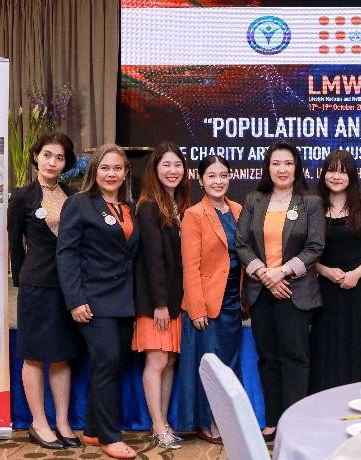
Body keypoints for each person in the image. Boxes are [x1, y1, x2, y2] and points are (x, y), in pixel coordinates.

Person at [236, 141, 325, 442]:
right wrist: (264, 274)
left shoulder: (310, 202)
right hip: (261, 292)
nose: (282, 169)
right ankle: (273, 420)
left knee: (295, 358)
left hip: (294, 292)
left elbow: (315, 247)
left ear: (297, 167)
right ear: (268, 168)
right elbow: (241, 244)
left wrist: (282, 272)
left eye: (288, 163)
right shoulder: (254, 199)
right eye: (276, 163)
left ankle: (294, 423)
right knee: (268, 358)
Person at [57, 144, 140, 459]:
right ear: (94, 170)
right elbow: (66, 254)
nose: (111, 174)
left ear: (125, 173)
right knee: (106, 362)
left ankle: (92, 430)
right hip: (92, 301)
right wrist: (75, 300)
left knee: (112, 364)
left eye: (117, 168)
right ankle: (109, 436)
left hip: (124, 302)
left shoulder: (129, 206)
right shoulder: (79, 204)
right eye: (105, 168)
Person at [8, 133, 80, 449]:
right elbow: (15, 246)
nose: (52, 162)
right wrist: (22, 282)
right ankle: (39, 423)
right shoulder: (22, 197)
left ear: (66, 163)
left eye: (59, 157)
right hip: (36, 286)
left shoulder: (74, 196)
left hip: (68, 287)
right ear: (36, 156)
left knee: (62, 356)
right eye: (47, 155)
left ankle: (62, 422)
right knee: (35, 356)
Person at [177, 155, 243, 444]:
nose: (218, 181)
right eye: (212, 176)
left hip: (233, 301)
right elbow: (190, 266)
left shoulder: (239, 210)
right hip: (206, 303)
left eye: (223, 175)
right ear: (201, 180)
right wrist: (196, 308)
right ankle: (206, 423)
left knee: (229, 365)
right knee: (210, 367)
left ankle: (227, 419)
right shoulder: (194, 214)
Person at [310, 150, 361, 392]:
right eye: (331, 171)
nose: (336, 176)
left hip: (359, 290)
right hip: (324, 290)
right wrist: (325, 271)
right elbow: (306, 253)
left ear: (352, 176)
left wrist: (356, 274)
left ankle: (359, 403)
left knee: (358, 349)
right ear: (323, 174)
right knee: (325, 350)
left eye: (343, 172)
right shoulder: (313, 207)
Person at [132, 142, 189, 449]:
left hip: (174, 302)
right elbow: (153, 259)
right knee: (156, 362)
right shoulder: (149, 206)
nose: (172, 170)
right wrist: (160, 304)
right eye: (166, 165)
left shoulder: (177, 204)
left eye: (177, 165)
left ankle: (164, 422)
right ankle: (157, 426)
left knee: (168, 363)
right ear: (154, 170)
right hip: (157, 304)